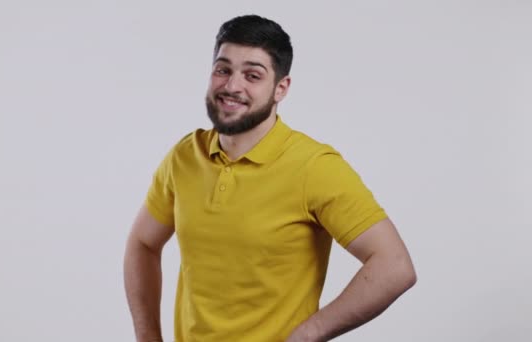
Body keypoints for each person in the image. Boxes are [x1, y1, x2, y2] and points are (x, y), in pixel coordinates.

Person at [124, 14, 416, 342]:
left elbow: (394, 266)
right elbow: (143, 243)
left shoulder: (314, 166)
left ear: (281, 88)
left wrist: (309, 333)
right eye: (223, 70)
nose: (232, 86)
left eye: (252, 75)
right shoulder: (184, 157)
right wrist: (148, 336)